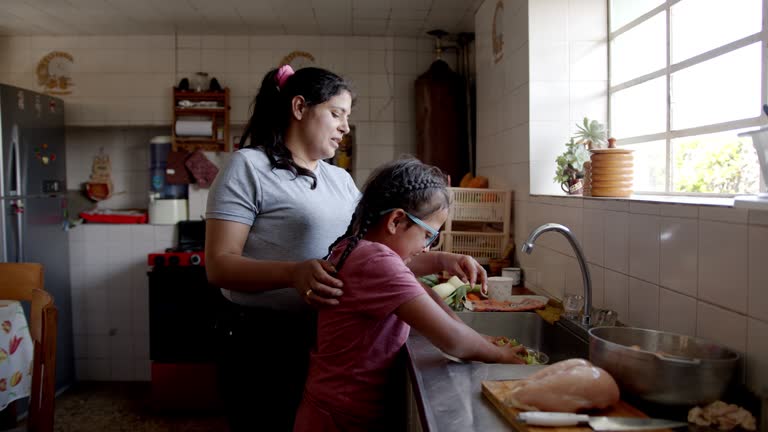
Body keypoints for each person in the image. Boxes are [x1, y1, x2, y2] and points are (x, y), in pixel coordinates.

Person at [205, 66, 489, 431]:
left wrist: (440, 259)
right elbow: (219, 265)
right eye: (336, 114)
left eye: (348, 117)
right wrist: (293, 274)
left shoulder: (338, 179)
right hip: (262, 340)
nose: (345, 127)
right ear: (298, 107)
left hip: (326, 338)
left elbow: (365, 259)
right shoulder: (248, 167)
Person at [293, 159, 527, 432]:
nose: (427, 248)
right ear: (396, 220)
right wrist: (501, 356)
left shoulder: (356, 249)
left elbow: (420, 289)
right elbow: (452, 342)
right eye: (428, 236)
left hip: (334, 406)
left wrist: (443, 260)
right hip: (338, 417)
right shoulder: (376, 262)